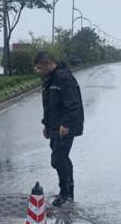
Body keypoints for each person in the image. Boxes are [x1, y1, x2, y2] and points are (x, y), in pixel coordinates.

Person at [34, 51, 84, 207]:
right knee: (61, 159)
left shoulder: (64, 78)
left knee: (58, 159)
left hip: (66, 126)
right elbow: (49, 105)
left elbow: (72, 103)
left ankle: (66, 193)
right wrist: (46, 125)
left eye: (40, 68)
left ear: (49, 64)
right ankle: (67, 191)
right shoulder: (49, 79)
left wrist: (66, 124)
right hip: (55, 126)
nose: (39, 71)